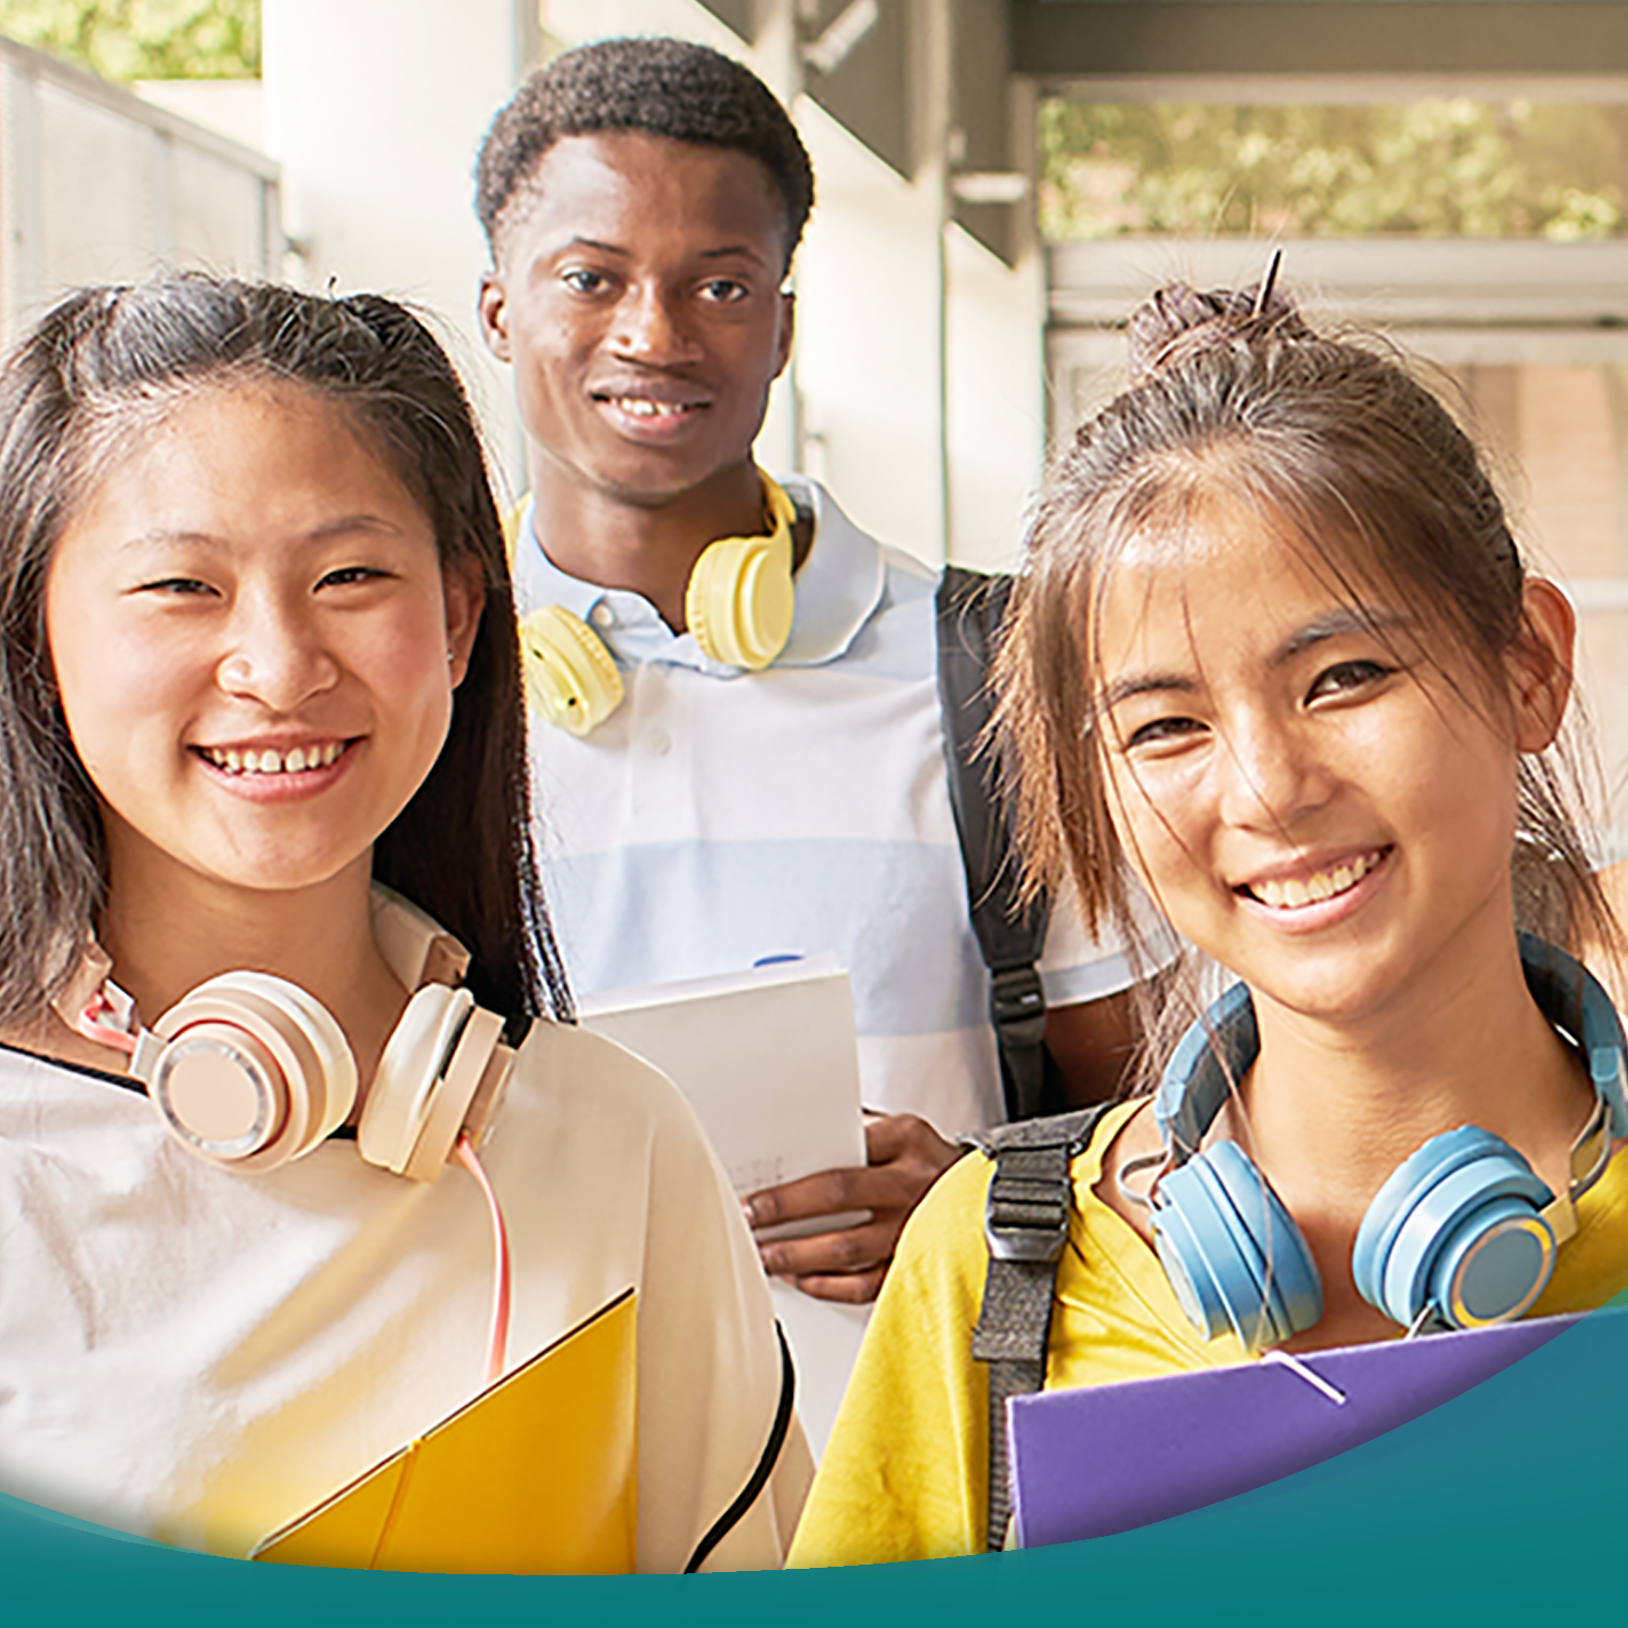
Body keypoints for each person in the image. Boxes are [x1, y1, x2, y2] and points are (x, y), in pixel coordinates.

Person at [786, 276, 1628, 1566]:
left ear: (1528, 669)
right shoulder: (997, 1260)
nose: (1268, 790)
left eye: (1344, 677)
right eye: (1166, 725)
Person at [0, 275, 810, 1572]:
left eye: (350, 574)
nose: (278, 665)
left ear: (457, 616)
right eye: (179, 588)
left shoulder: (609, 1140)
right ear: (37, 639)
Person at [473, 36, 1159, 1365]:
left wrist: (985, 1203)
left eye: (719, 284)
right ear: (500, 312)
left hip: (910, 1489)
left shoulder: (998, 665)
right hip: (541, 1497)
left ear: (783, 323)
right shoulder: (419, 685)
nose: (654, 335)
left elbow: (1151, 1109)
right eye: (590, 278)